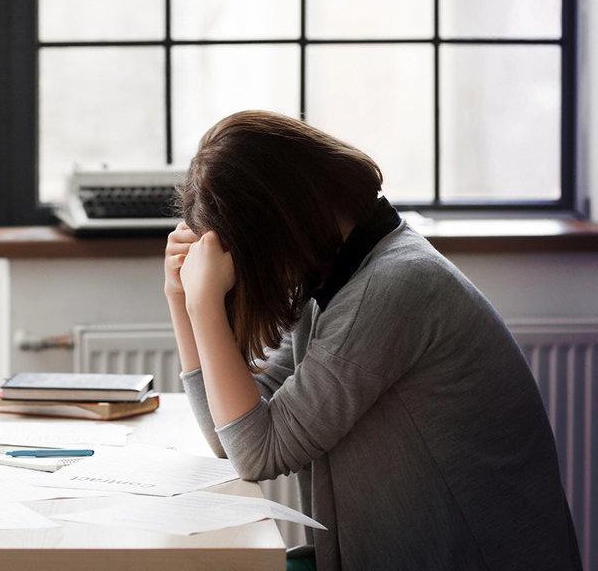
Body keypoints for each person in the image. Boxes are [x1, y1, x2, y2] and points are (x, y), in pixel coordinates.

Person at [164, 110, 581, 570]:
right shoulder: (339, 277)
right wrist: (182, 297)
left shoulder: (390, 287)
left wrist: (205, 307)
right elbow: (232, 433)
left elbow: (255, 452)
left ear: (276, 228)